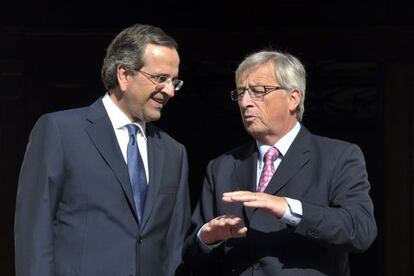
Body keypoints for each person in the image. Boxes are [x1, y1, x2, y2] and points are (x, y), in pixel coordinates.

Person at [15, 24, 190, 276]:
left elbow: (174, 245)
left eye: (175, 81)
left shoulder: (174, 152)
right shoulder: (60, 131)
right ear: (124, 75)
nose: (170, 91)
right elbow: (34, 231)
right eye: (160, 78)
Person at [184, 50, 377, 275]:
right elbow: (192, 258)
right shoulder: (222, 167)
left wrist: (288, 209)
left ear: (293, 98)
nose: (246, 102)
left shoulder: (338, 156)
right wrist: (206, 239)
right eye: (240, 93)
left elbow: (360, 231)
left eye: (257, 91)